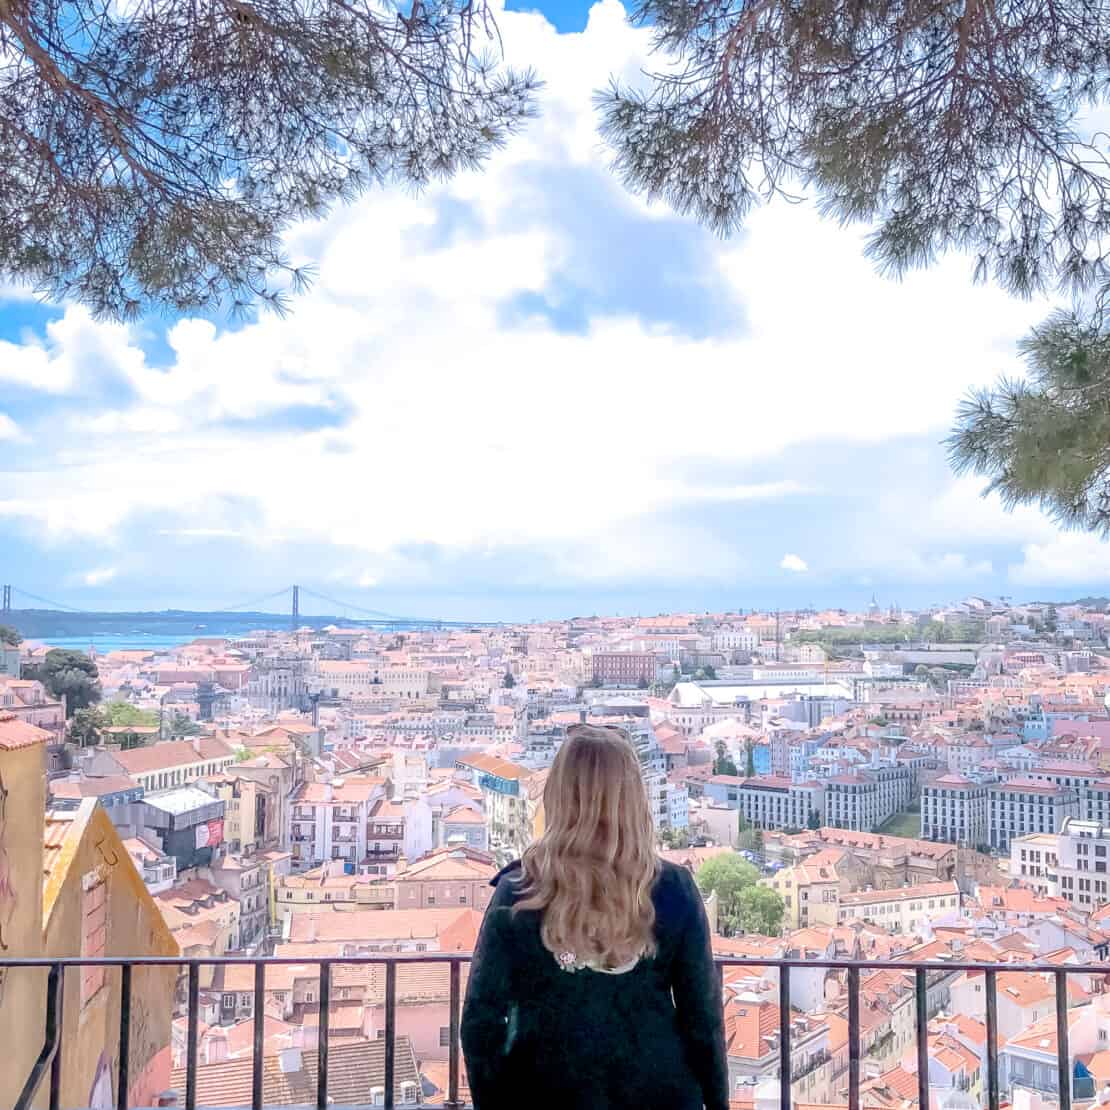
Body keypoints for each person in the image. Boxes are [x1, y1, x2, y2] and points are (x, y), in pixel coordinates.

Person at [461, 722, 729, 1110]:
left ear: (557, 793)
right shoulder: (675, 889)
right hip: (659, 1094)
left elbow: (480, 1024)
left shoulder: (518, 893)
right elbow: (703, 1023)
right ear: (633, 797)